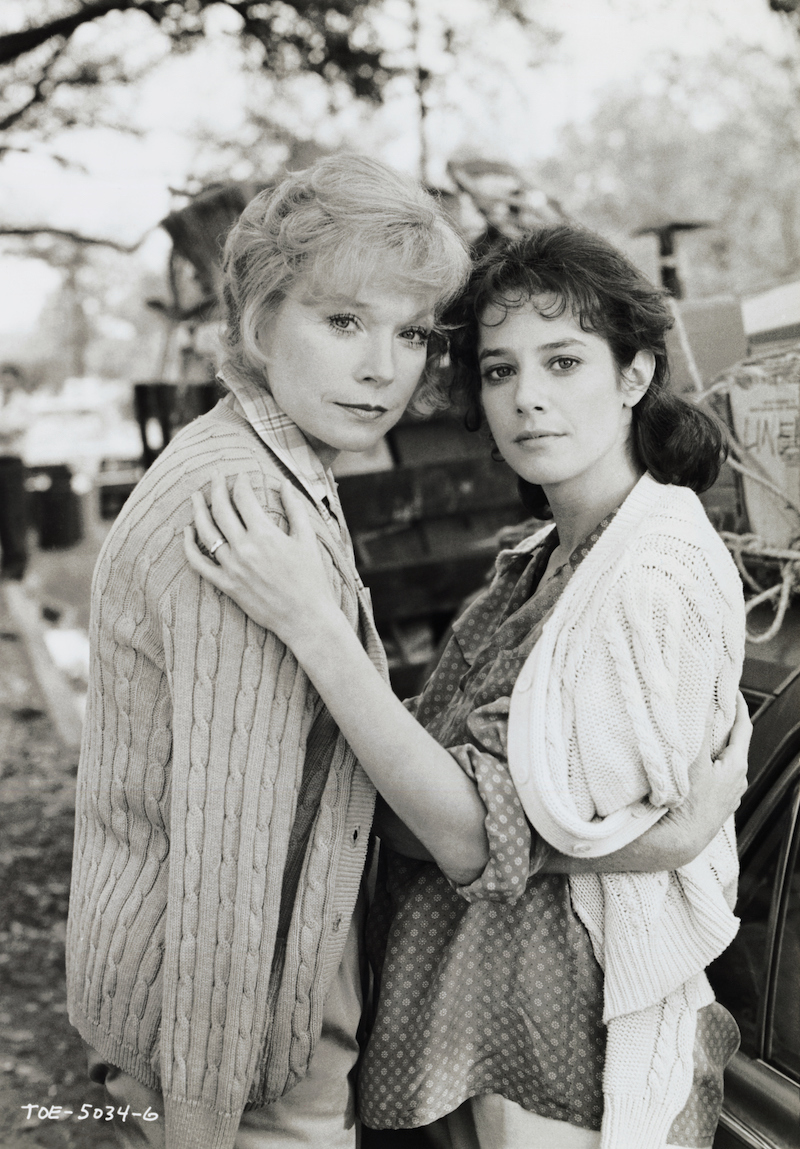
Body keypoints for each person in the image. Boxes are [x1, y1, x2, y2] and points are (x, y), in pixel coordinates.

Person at [184, 223, 751, 1149]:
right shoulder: (539, 559)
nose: (527, 399)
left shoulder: (646, 579)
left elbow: (448, 829)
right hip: (468, 1021)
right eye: (498, 370)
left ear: (636, 372)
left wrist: (315, 626)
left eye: (564, 361)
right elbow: (441, 792)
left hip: (549, 1049)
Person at [65, 153, 473, 1149]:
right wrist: (199, 1123)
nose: (385, 367)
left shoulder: (278, 465)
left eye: (410, 330)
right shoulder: (244, 508)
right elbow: (226, 866)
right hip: (234, 1071)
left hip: (251, 1033)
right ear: (256, 324)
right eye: (342, 323)